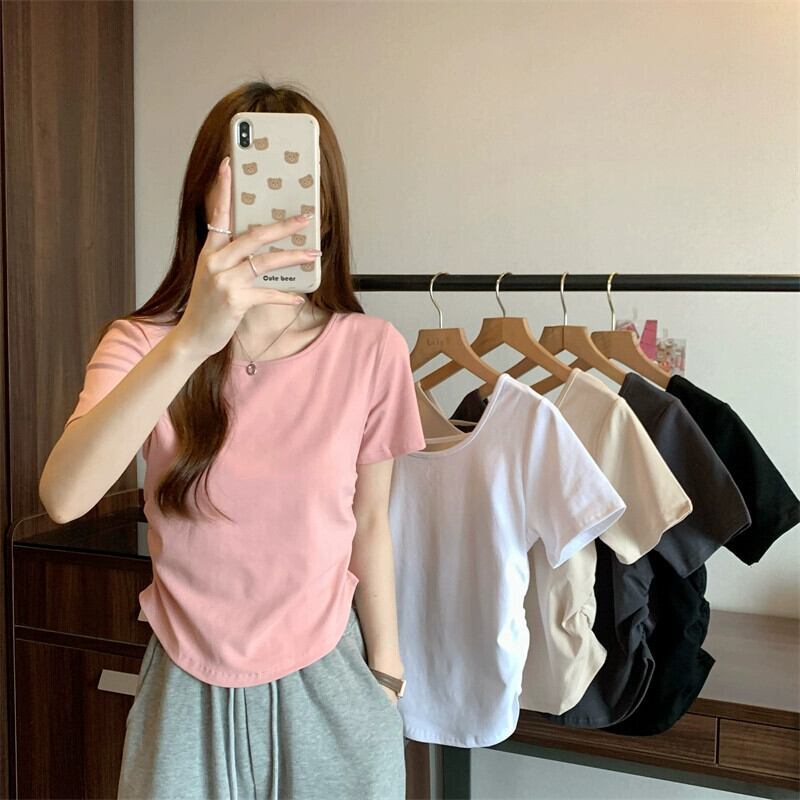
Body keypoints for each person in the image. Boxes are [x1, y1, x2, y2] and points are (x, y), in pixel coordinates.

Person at [39, 80, 427, 800]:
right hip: (184, 688)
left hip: (333, 679)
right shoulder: (144, 345)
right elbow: (64, 497)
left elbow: (370, 522)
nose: (272, 213)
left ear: (325, 209)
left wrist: (387, 673)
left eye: (294, 190)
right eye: (249, 189)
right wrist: (192, 338)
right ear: (205, 202)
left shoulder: (372, 349)